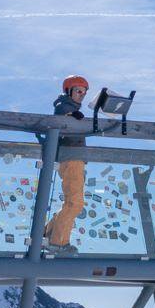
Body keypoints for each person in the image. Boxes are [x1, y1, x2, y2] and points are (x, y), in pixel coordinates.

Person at [43, 75, 90, 253]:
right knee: (75, 203)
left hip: (74, 159)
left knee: (72, 202)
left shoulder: (70, 107)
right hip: (71, 158)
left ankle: (47, 233)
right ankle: (58, 242)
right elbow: (63, 116)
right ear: (69, 91)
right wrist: (73, 116)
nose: (81, 94)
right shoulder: (64, 106)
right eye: (78, 91)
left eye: (84, 92)